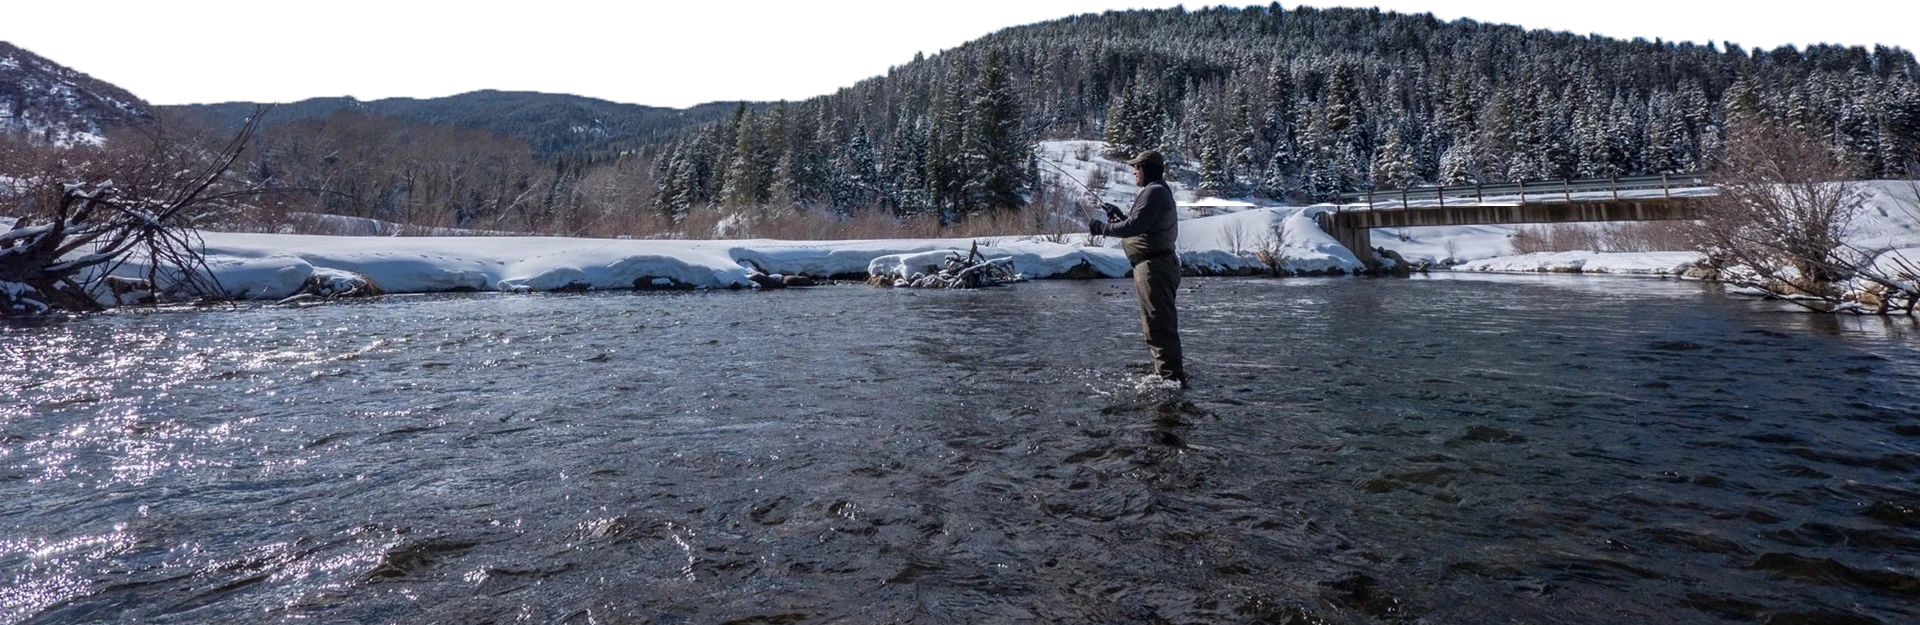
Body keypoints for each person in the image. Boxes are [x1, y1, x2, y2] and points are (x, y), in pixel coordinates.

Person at [1089, 149, 1187, 388]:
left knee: (1158, 325)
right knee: (1158, 323)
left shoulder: (1153, 192)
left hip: (1154, 267)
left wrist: (1102, 228)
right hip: (1155, 265)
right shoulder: (1156, 192)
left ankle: (1170, 381)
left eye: (1136, 168)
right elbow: (1141, 226)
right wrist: (1118, 216)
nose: (1134, 172)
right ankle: (1168, 376)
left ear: (1146, 169)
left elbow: (1135, 226)